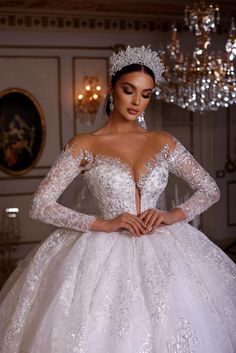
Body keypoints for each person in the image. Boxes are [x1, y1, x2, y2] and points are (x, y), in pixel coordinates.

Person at [0, 45, 236, 353]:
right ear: (112, 87)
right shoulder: (85, 144)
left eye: (147, 94)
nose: (138, 101)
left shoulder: (163, 142)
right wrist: (105, 224)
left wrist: (170, 215)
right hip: (104, 252)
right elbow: (40, 204)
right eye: (129, 90)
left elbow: (210, 189)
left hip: (167, 246)